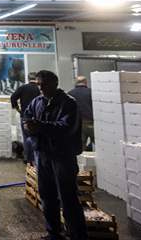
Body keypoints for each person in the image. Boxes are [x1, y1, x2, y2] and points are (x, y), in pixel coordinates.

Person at [23, 70, 87, 240]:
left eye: (44, 84)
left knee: (68, 198)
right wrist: (28, 127)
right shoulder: (37, 102)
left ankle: (77, 235)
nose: (41, 88)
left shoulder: (68, 103)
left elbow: (66, 128)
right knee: (47, 196)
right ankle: (53, 233)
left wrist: (40, 126)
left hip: (62, 156)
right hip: (42, 155)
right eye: (38, 84)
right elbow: (27, 117)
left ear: (55, 84)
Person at [10, 72, 40, 163]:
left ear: (28, 78)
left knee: (26, 137)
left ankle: (28, 158)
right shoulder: (40, 89)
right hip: (38, 118)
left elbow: (13, 97)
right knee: (37, 137)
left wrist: (17, 108)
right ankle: (36, 158)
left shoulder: (23, 88)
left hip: (25, 117)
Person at [68, 76, 94, 151]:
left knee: (80, 147)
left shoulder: (70, 94)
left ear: (76, 83)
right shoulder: (91, 92)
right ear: (85, 82)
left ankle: (83, 162)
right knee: (99, 146)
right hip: (92, 123)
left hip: (78, 125)